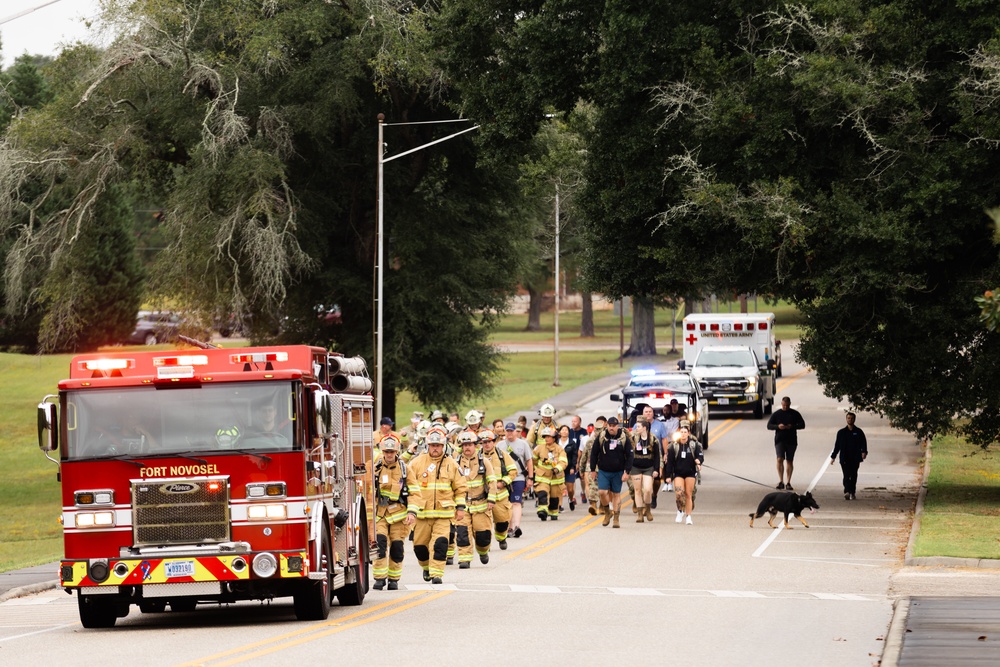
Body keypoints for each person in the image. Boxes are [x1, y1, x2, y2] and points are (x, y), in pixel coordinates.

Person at [405, 427, 467, 584]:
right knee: (420, 547)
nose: (435, 448)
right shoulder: (416, 463)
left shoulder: (452, 464)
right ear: (427, 445)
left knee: (440, 545)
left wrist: (460, 508)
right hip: (422, 514)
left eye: (438, 445)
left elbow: (460, 488)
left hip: (443, 515)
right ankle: (426, 567)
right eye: (432, 445)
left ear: (444, 446)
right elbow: (407, 485)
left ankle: (437, 574)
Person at [454, 430, 497, 568]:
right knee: (462, 534)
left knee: (483, 537)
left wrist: (491, 499)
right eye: (464, 445)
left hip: (481, 505)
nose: (467, 447)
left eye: (470, 444)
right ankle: (464, 559)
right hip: (462, 505)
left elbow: (492, 481)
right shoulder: (455, 463)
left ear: (475, 445)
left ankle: (483, 551)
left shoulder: (484, 462)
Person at [372, 435, 408, 590]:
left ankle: (394, 579)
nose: (389, 454)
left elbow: (414, 492)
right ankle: (380, 578)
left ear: (397, 451)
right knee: (379, 544)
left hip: (399, 515)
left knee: (397, 547)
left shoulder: (405, 469)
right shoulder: (376, 468)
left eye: (392, 451)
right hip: (380, 513)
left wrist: (412, 513)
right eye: (386, 451)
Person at [588, 416, 634, 529]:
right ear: (606, 426)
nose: (611, 428)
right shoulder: (602, 437)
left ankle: (616, 517)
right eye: (610, 426)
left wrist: (627, 471)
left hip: (618, 471)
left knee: (616, 494)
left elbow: (630, 456)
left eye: (614, 426)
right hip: (604, 470)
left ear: (618, 426)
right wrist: (593, 470)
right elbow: (594, 453)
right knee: (602, 492)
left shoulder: (623, 438)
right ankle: (607, 512)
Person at [479, 429, 517, 549]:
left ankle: (501, 538)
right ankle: (486, 545)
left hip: (500, 496)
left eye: (489, 441)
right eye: (484, 442)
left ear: (494, 442)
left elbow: (513, 471)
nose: (486, 444)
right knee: (483, 525)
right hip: (482, 497)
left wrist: (503, 483)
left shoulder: (502, 455)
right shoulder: (476, 457)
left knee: (502, 521)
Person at [497, 422, 534, 538]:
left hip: (518, 477)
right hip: (505, 479)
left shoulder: (523, 444)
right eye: (507, 431)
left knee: (516, 502)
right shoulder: (499, 445)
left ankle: (517, 526)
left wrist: (531, 478)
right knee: (506, 504)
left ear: (516, 432)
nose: (509, 433)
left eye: (511, 431)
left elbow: (529, 461)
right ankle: (510, 527)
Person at [663, 420, 703, 525]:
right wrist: (668, 476)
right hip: (678, 473)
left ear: (688, 433)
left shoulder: (694, 445)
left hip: (690, 473)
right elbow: (670, 462)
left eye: (685, 432)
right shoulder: (674, 446)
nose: (683, 434)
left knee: (688, 494)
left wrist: (699, 461)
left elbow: (700, 455)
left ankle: (688, 516)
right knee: (679, 494)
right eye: (682, 432)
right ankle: (680, 511)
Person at [766, 396, 806, 490]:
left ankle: (788, 482)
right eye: (784, 405)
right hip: (779, 440)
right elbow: (769, 426)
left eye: (787, 406)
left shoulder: (795, 414)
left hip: (791, 440)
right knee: (780, 459)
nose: (785, 407)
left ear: (790, 404)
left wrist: (792, 426)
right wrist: (778, 427)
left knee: (789, 460)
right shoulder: (777, 414)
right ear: (781, 404)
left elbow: (802, 425)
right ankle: (781, 481)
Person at [532, 426, 568, 521]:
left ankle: (553, 512)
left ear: (554, 438)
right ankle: (542, 511)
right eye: (545, 437)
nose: (546, 438)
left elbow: (563, 461)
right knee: (542, 492)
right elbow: (533, 460)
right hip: (542, 477)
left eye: (549, 436)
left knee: (554, 497)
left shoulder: (560, 449)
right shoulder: (539, 448)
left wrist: (557, 468)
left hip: (556, 478)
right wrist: (537, 469)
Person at [830, 411, 868, 500]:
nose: (850, 420)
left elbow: (863, 442)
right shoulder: (841, 432)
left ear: (854, 420)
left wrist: (864, 452)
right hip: (844, 458)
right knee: (846, 475)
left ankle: (852, 492)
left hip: (855, 458)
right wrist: (833, 457)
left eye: (851, 418)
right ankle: (847, 491)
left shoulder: (858, 432)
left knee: (853, 475)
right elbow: (837, 446)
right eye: (848, 418)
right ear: (846, 419)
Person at [630, 417, 661, 523]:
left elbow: (657, 455)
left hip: (648, 467)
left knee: (648, 490)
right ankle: (639, 514)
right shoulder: (633, 437)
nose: (636, 428)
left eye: (638, 426)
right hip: (636, 467)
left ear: (644, 428)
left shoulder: (653, 439)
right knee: (637, 490)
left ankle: (647, 509)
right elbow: (628, 452)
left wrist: (656, 469)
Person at [642, 405, 669, 507]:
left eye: (650, 412)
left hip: (657, 455)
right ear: (643, 413)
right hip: (643, 457)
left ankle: (654, 495)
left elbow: (664, 439)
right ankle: (643, 500)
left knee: (657, 479)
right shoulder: (637, 426)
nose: (648, 413)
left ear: (653, 413)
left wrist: (666, 453)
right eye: (646, 412)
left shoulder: (659, 425)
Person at [567, 415, 589, 506]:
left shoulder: (584, 432)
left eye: (575, 421)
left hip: (581, 457)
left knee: (582, 478)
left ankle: (583, 492)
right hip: (572, 458)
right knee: (572, 478)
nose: (573, 423)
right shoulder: (569, 432)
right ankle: (573, 497)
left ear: (579, 422)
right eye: (572, 421)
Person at [558, 424, 578, 511]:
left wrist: (573, 467)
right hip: (559, 468)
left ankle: (570, 499)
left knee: (570, 489)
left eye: (566, 430)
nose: (564, 432)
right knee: (559, 488)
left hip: (569, 468)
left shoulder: (572, 443)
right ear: (559, 432)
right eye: (562, 430)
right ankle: (559, 505)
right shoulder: (556, 442)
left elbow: (574, 455)